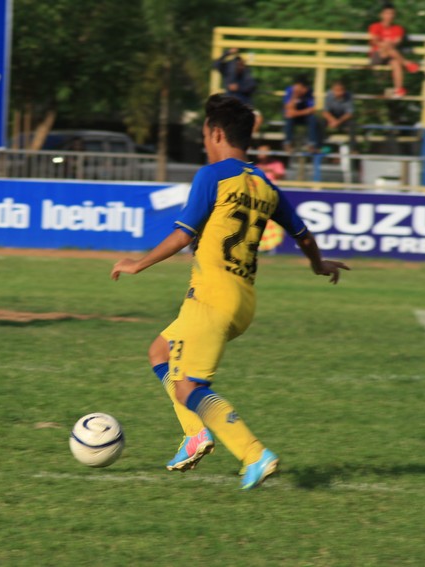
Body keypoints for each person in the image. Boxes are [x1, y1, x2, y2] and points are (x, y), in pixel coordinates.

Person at [110, 94, 349, 490]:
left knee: (189, 386)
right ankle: (195, 434)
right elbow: (303, 235)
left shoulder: (212, 175)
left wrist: (139, 263)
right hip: (242, 300)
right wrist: (318, 264)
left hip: (210, 297)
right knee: (159, 352)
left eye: (206, 136)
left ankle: (254, 454)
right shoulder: (266, 185)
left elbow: (182, 234)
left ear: (217, 134)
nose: (205, 143)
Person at [368, 3, 419, 98]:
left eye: (392, 14)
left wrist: (386, 44)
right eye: (387, 13)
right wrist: (385, 44)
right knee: (388, 49)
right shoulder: (375, 26)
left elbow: (397, 42)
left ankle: (398, 89)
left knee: (396, 62)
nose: (389, 16)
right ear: (381, 15)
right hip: (377, 55)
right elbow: (374, 41)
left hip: (392, 55)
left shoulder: (398, 28)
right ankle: (407, 63)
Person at [215, 48, 263, 132]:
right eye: (236, 64)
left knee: (258, 118)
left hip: (245, 107)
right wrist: (227, 53)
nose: (239, 66)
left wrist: (239, 88)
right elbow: (216, 64)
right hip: (231, 107)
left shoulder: (247, 75)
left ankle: (248, 137)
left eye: (241, 64)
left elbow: (252, 86)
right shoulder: (228, 74)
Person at [283, 75, 320, 152]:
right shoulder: (290, 91)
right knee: (289, 118)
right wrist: (295, 96)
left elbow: (312, 110)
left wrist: (296, 113)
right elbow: (288, 110)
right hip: (293, 117)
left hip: (303, 116)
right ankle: (288, 143)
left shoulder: (309, 92)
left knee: (313, 119)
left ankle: (311, 144)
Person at [322, 80, 358, 151]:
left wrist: (338, 122)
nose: (338, 93)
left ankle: (353, 149)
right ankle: (319, 146)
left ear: (344, 91)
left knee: (352, 124)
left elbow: (350, 113)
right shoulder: (329, 95)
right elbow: (325, 112)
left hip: (343, 118)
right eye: (336, 90)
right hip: (332, 117)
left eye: (341, 90)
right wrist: (332, 120)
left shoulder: (349, 96)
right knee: (319, 122)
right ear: (333, 90)